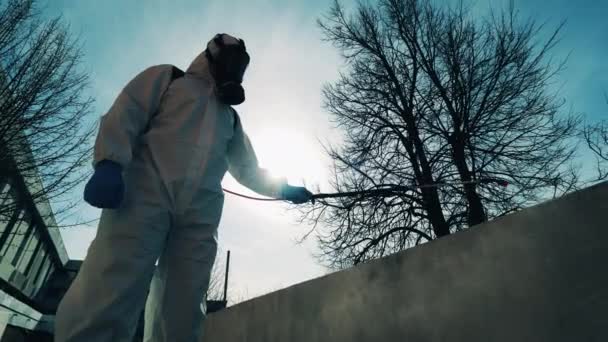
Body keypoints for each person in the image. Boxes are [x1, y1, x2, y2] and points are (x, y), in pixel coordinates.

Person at [55, 33, 313, 342]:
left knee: (185, 301)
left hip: (199, 217)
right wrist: (110, 162)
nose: (235, 71)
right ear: (211, 56)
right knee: (114, 281)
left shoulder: (230, 118)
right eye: (231, 61)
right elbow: (128, 111)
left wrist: (283, 189)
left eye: (241, 66)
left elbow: (247, 169)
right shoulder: (168, 79)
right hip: (144, 195)